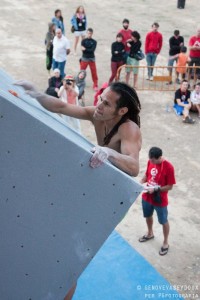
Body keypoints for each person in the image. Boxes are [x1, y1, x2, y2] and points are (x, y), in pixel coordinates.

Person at [14, 79, 142, 300]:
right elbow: (63, 107)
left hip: (109, 194)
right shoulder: (98, 114)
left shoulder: (129, 129)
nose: (99, 105)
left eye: (106, 104)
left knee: (67, 262)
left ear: (122, 110)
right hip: (95, 184)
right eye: (101, 99)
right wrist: (35, 94)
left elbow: (134, 166)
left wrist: (109, 153)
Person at [139, 147, 176, 256]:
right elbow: (147, 175)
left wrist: (156, 189)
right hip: (147, 196)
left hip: (160, 199)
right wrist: (141, 181)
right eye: (150, 159)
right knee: (147, 216)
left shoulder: (169, 167)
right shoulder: (150, 161)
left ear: (160, 157)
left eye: (153, 160)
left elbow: (170, 186)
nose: (151, 162)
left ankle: (165, 242)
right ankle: (150, 233)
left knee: (163, 221)